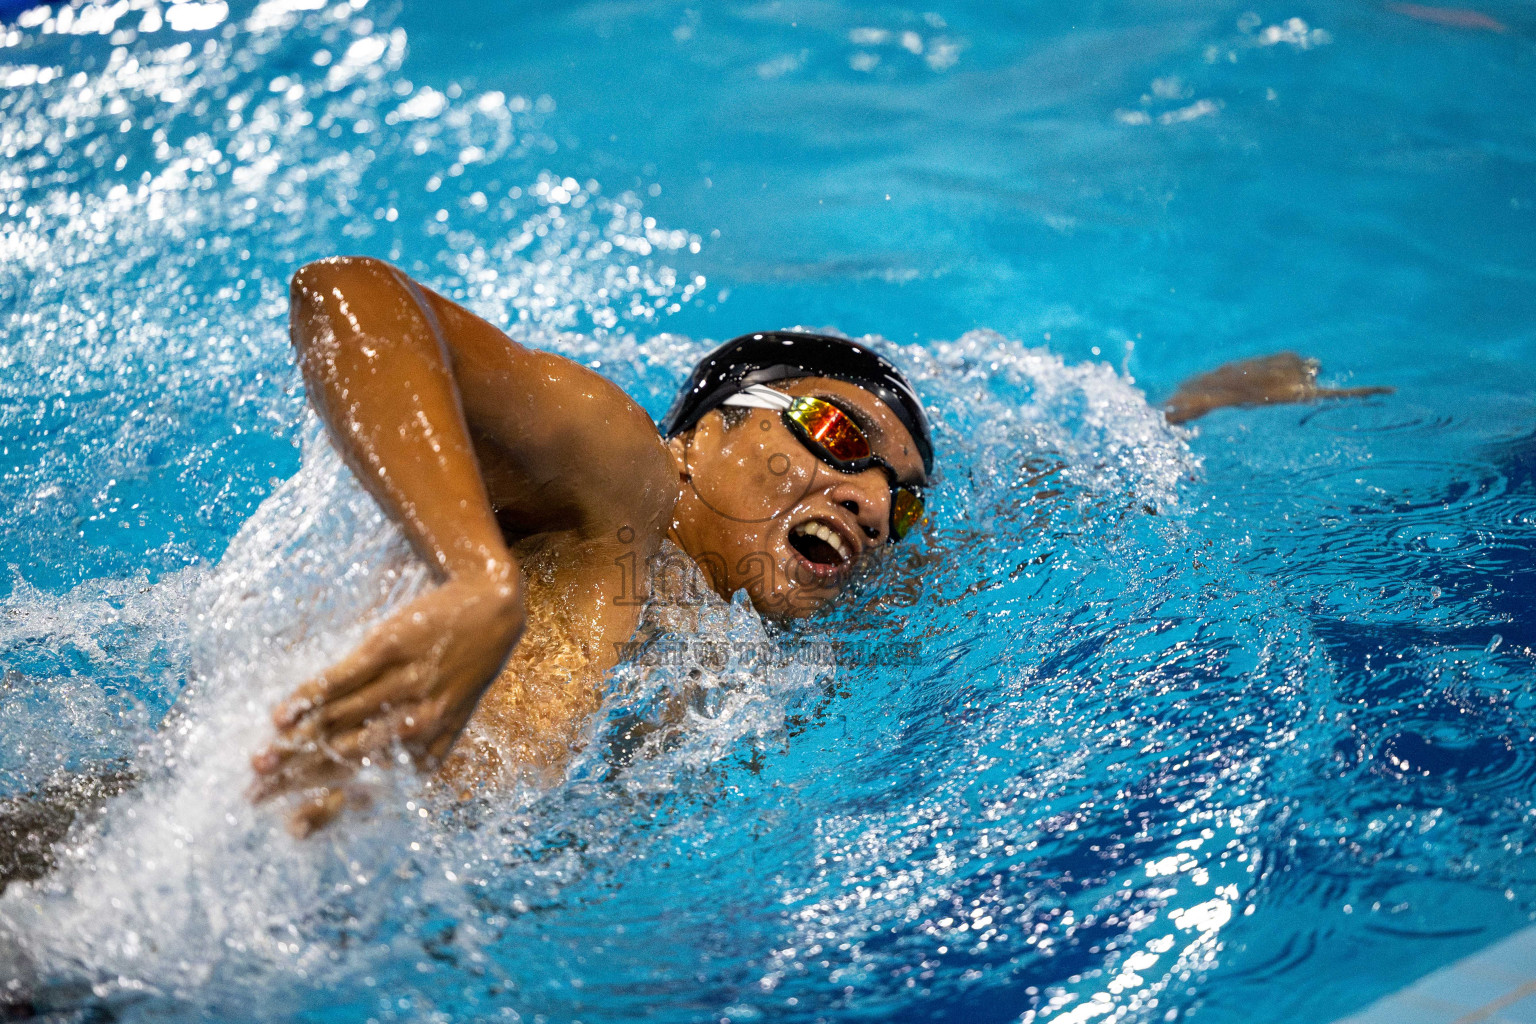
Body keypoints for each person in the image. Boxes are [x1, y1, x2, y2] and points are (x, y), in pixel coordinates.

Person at [228, 256, 1386, 836]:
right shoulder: (616, 483)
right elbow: (349, 298)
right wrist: (476, 575)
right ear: (697, 440)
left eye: (901, 495)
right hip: (193, 847)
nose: (871, 499)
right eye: (833, 434)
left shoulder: (822, 616)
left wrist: (1187, 416)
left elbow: (1061, 511)